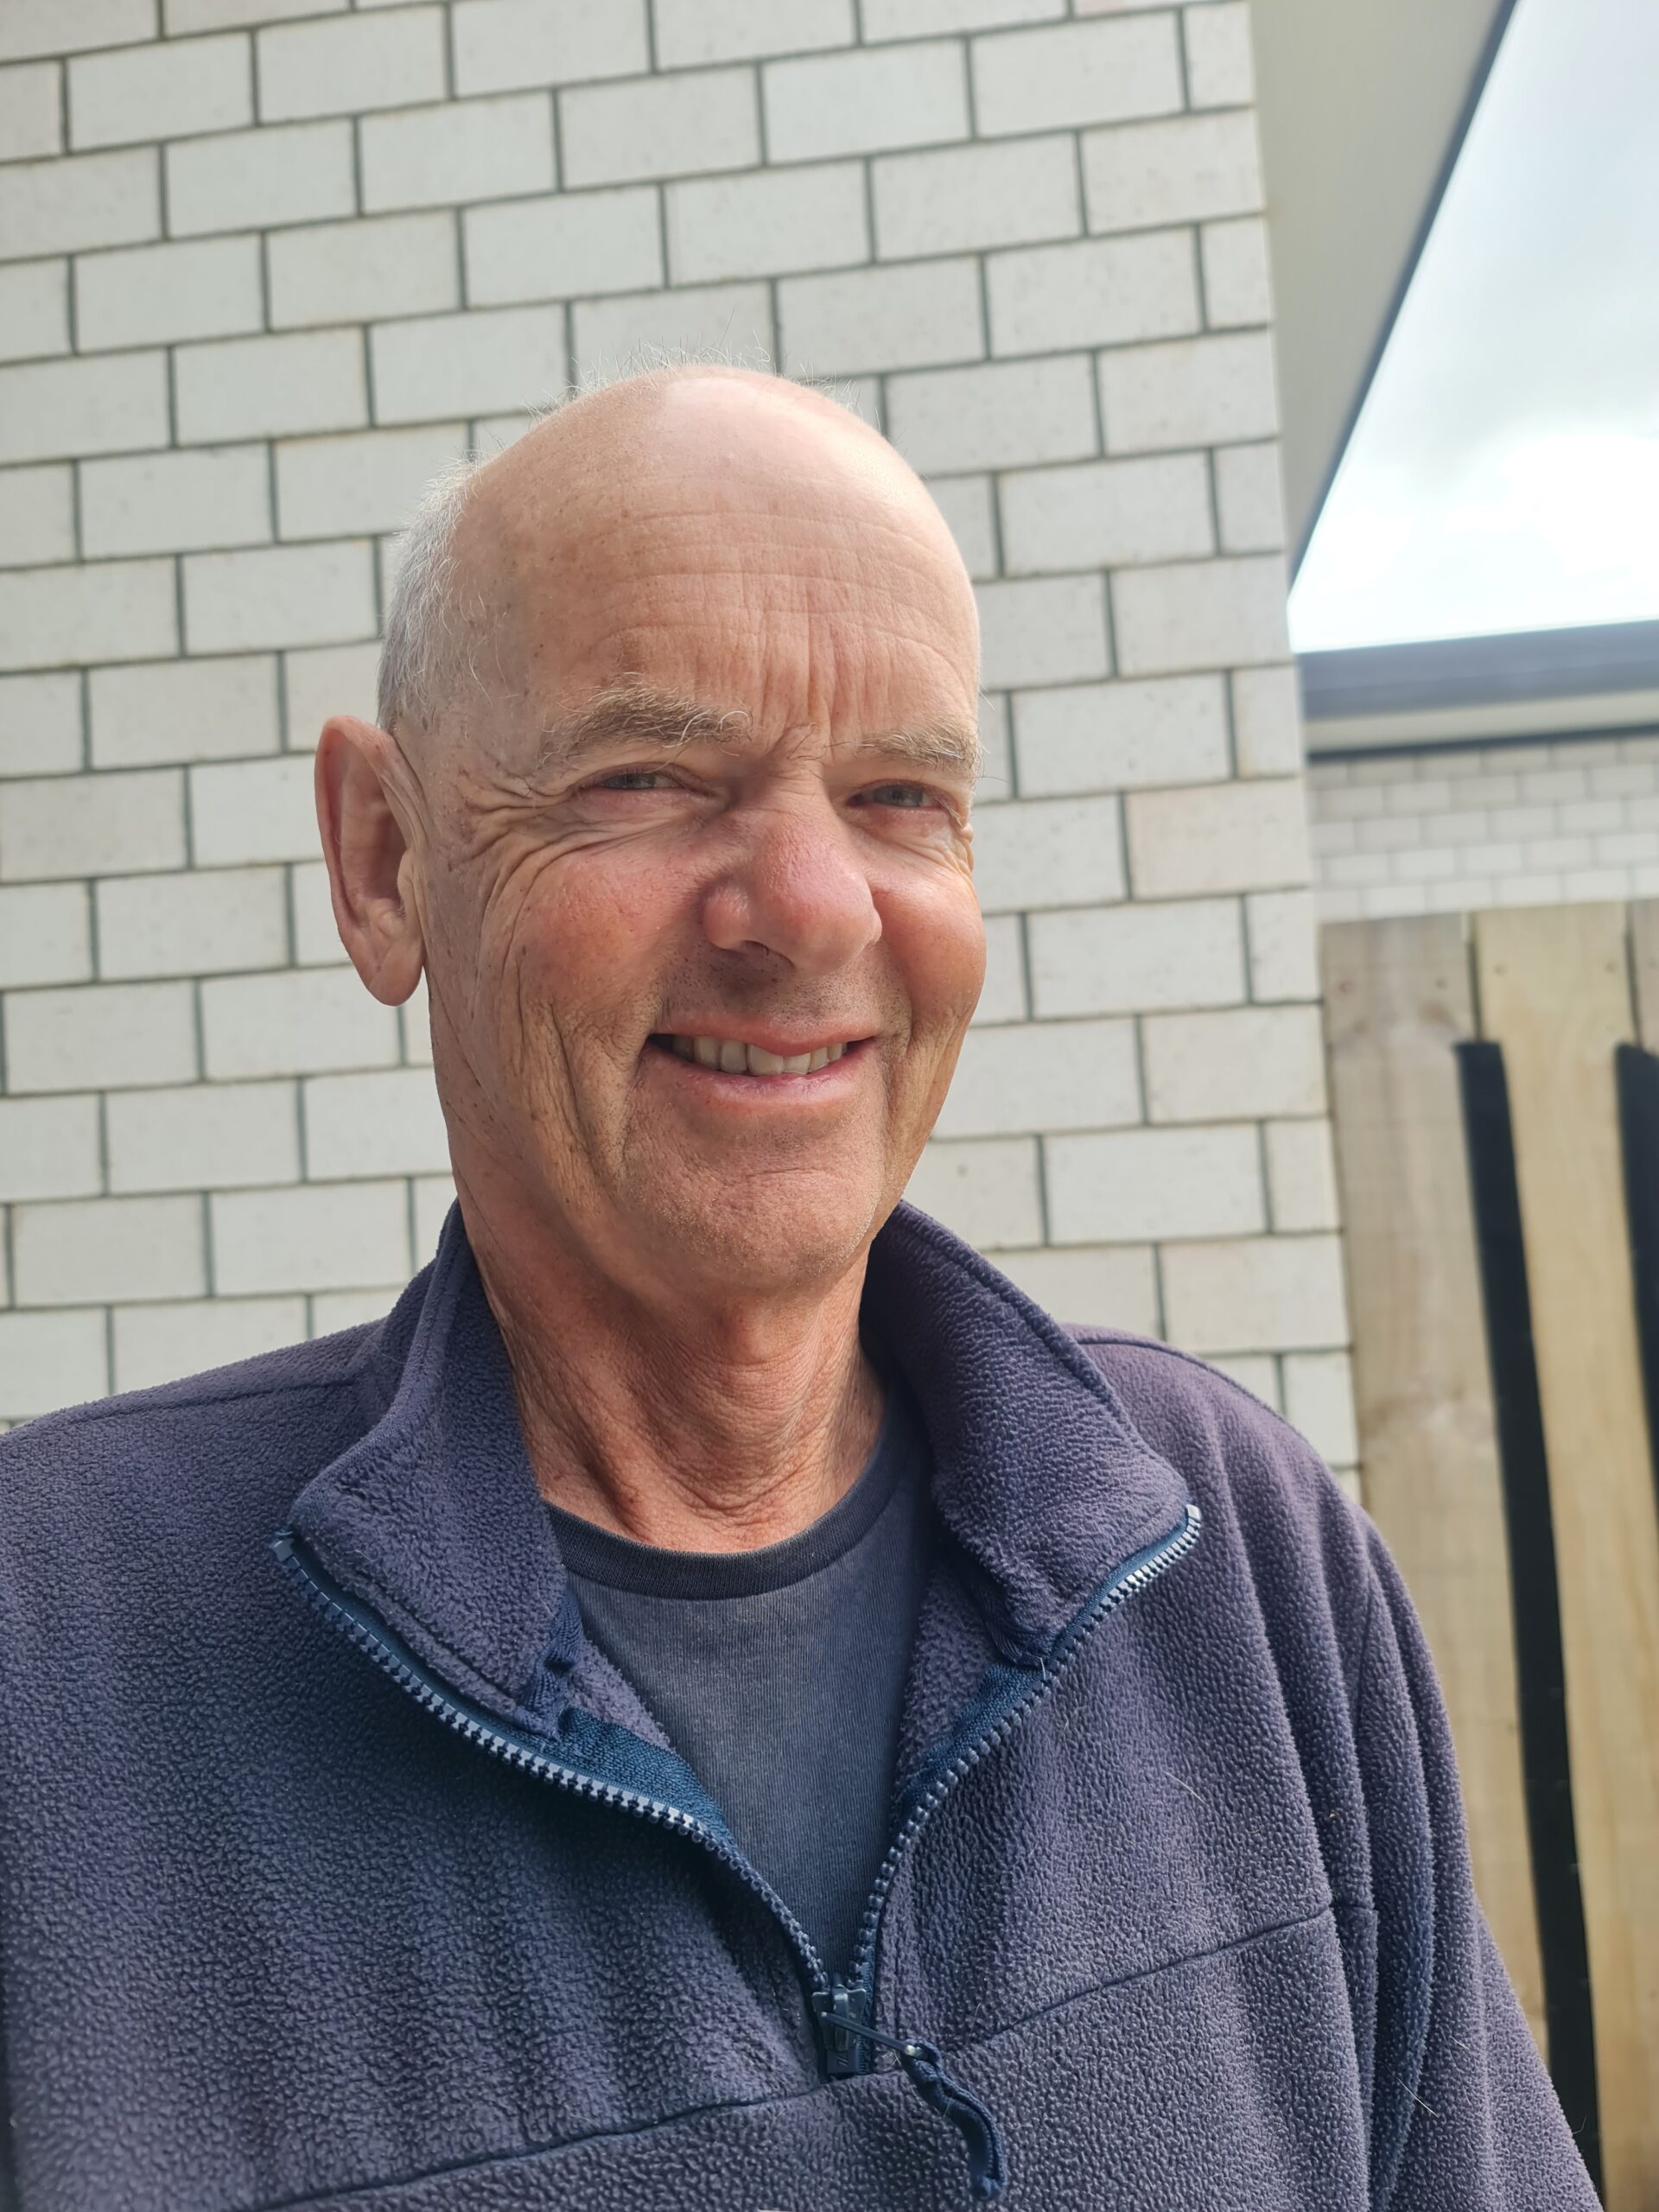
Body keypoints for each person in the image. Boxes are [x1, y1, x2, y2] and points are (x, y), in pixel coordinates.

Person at [0, 367, 1595, 2211]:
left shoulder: (1237, 1562)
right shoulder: (55, 1652)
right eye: (652, 778)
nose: (817, 906)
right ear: (384, 860)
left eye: (901, 792)